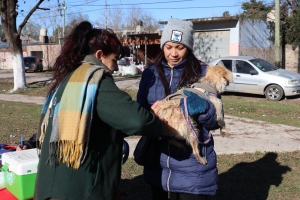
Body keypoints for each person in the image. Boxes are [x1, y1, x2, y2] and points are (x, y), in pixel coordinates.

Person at [34, 21, 171, 200]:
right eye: (114, 60)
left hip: (50, 186)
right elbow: (136, 120)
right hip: (80, 189)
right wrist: (160, 124)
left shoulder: (68, 76)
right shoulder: (94, 79)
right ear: (100, 55)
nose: (114, 68)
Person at [137, 18, 220, 200]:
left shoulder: (204, 73)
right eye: (169, 47)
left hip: (192, 163)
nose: (173, 53)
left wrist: (203, 107)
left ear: (189, 48)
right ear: (162, 46)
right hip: (158, 161)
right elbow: (140, 110)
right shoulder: (150, 74)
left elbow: (215, 121)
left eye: (180, 47)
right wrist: (151, 113)